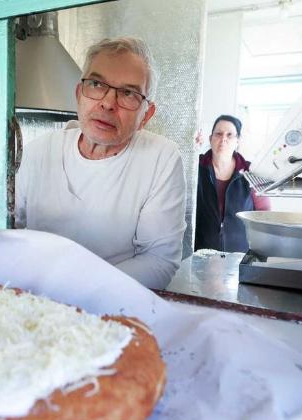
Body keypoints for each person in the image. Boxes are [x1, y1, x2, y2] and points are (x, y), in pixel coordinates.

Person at [15, 37, 186, 289]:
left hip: (114, 309)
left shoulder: (161, 158)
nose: (107, 103)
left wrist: (74, 290)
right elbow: (5, 233)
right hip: (34, 296)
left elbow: (158, 260)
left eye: (128, 93)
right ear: (78, 95)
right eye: (96, 84)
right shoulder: (38, 152)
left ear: (145, 115)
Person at [194, 114, 270, 253]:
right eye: (218, 134)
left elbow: (264, 215)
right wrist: (190, 149)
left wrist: (259, 252)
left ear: (237, 141)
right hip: (200, 254)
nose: (223, 139)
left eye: (230, 135)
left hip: (240, 256)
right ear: (210, 139)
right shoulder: (196, 168)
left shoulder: (251, 172)